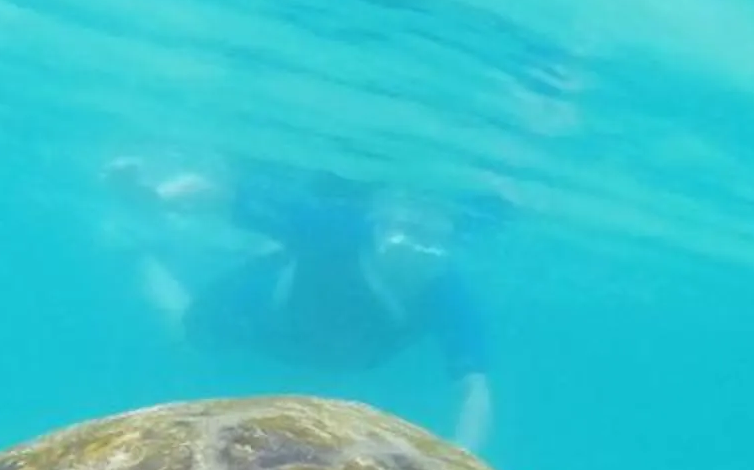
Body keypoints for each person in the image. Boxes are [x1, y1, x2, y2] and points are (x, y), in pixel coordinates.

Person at [107, 159, 497, 452]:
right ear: (380, 226)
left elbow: (474, 389)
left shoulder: (448, 293)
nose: (417, 249)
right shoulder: (334, 229)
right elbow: (229, 196)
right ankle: (143, 254)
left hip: (339, 353)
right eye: (409, 231)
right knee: (185, 332)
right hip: (264, 315)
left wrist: (461, 458)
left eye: (433, 239)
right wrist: (157, 196)